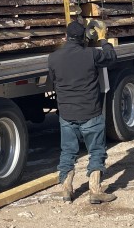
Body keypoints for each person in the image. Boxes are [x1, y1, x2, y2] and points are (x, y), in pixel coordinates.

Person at [48, 20, 117, 204]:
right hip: (90, 113)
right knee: (96, 151)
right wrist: (103, 39)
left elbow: (52, 82)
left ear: (65, 37)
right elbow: (111, 57)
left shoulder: (53, 58)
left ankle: (66, 190)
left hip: (67, 114)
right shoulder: (91, 54)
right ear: (85, 37)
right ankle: (95, 191)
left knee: (68, 152)